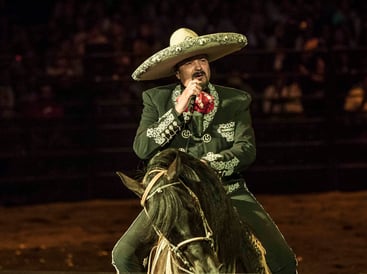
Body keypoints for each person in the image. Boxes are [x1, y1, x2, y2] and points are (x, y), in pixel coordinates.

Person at [111, 27, 298, 274]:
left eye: (202, 60)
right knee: (123, 255)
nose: (198, 67)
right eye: (189, 63)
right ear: (178, 73)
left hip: (226, 190)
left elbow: (246, 149)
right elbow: (142, 148)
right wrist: (177, 110)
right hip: (175, 195)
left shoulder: (236, 100)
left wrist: (208, 166)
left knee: (284, 261)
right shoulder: (156, 99)